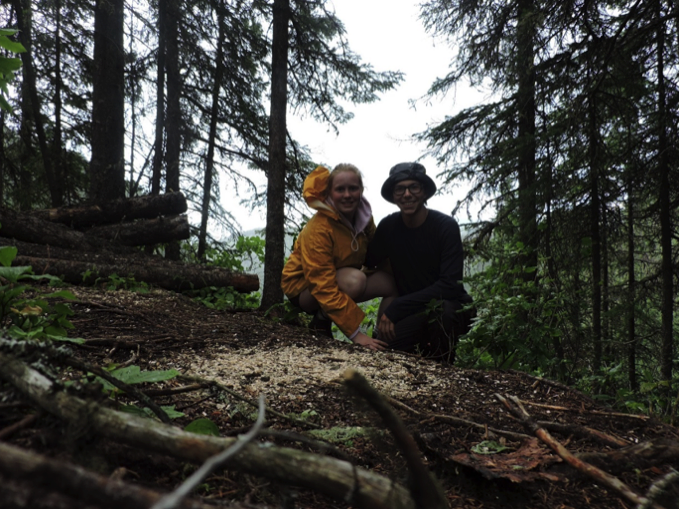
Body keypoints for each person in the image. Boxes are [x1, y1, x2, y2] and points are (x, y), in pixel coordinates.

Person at [365, 162, 474, 361]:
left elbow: (450, 285)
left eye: (413, 187)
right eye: (400, 189)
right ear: (394, 195)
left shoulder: (445, 227)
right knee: (382, 350)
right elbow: (367, 261)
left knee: (445, 313)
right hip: (411, 313)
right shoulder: (388, 227)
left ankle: (442, 371)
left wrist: (396, 307)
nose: (407, 194)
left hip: (448, 307)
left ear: (423, 192)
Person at [281, 164, 396, 351]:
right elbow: (321, 284)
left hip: (342, 276)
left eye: (353, 188)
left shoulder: (364, 217)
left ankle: (381, 338)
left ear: (361, 190)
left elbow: (376, 252)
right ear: (329, 193)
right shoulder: (319, 228)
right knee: (355, 281)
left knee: (391, 284)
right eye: (340, 189)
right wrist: (356, 335)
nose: (347, 195)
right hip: (303, 288)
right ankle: (320, 320)